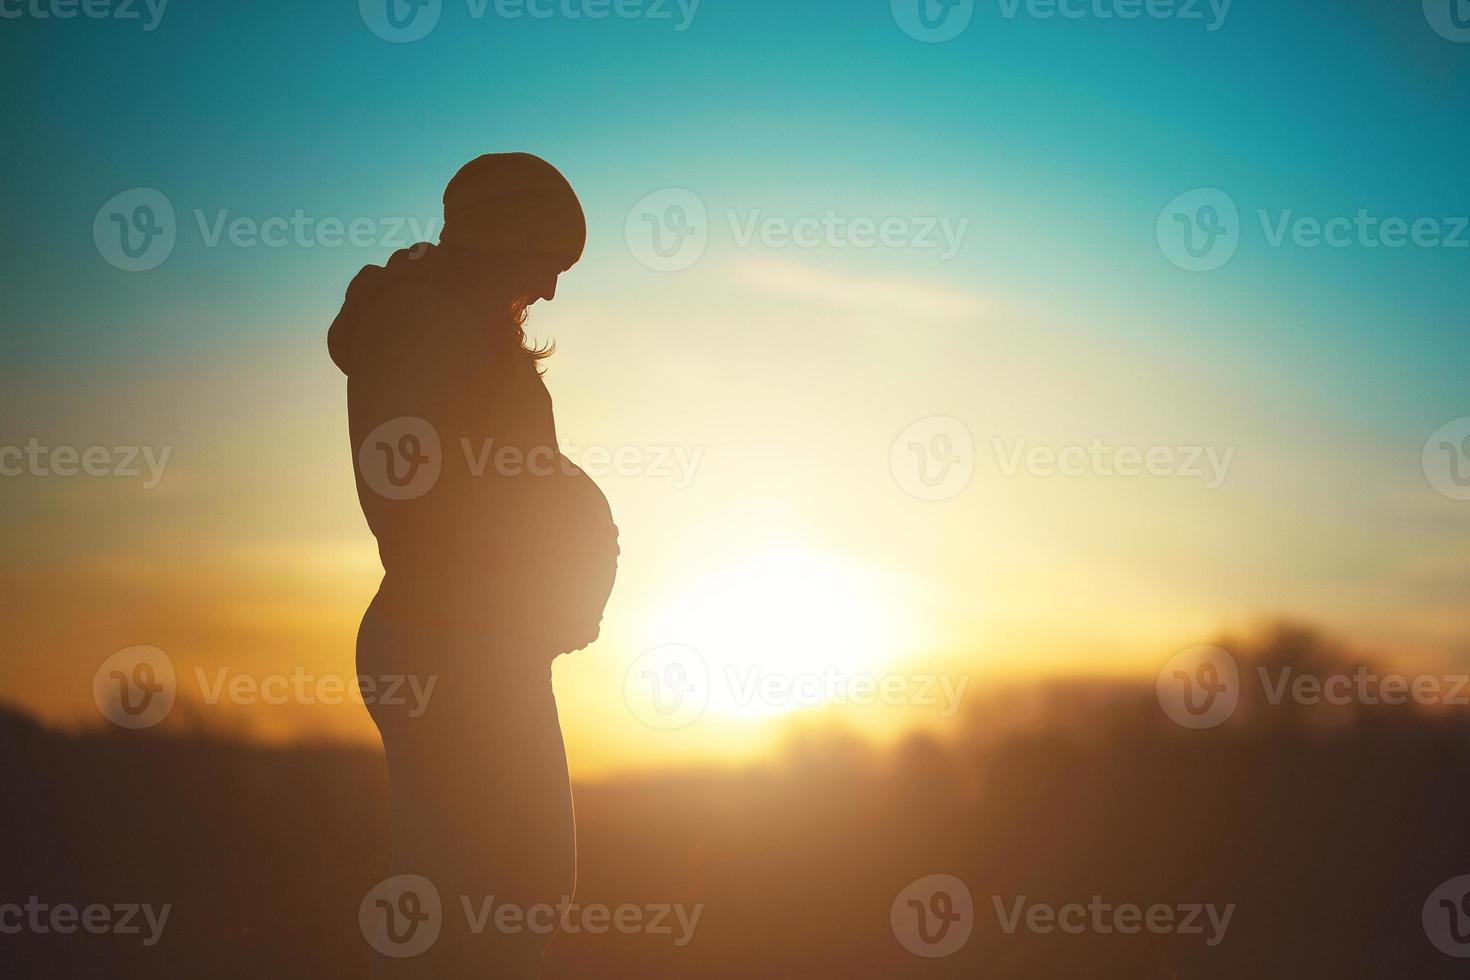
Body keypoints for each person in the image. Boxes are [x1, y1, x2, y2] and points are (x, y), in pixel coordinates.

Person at [328, 153, 619, 978]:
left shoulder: (469, 325)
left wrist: (568, 546)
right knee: (448, 908)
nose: (554, 291)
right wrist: (542, 559)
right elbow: (415, 496)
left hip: (491, 643)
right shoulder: (420, 323)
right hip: (444, 643)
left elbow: (502, 472)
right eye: (549, 264)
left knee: (526, 884)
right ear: (505, 238)